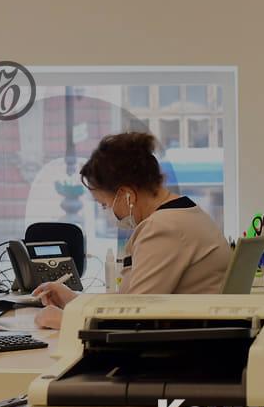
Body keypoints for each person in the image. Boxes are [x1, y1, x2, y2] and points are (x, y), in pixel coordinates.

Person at [33, 132, 232, 328]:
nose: (108, 211)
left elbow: (134, 318)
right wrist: (75, 301)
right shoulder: (185, 214)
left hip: (181, 344)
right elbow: (130, 301)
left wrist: (65, 321)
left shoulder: (162, 228)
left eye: (104, 204)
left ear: (126, 194)